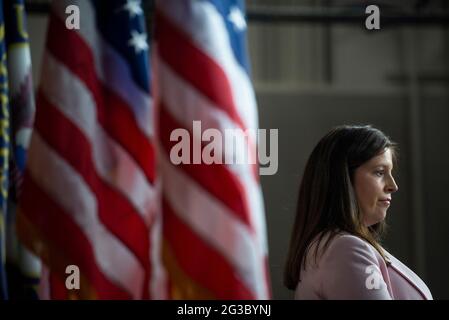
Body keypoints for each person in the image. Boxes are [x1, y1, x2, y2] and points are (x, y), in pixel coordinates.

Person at [284, 125, 432, 300]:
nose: (393, 186)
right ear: (342, 179)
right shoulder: (345, 249)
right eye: (379, 172)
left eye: (390, 172)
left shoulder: (335, 247)